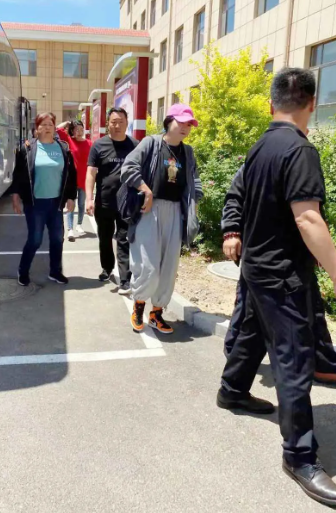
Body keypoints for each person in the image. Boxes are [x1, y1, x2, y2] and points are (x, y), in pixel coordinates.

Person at [216, 68, 336, 507]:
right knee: (294, 361)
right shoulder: (300, 150)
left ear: (271, 104)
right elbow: (308, 218)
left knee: (251, 332)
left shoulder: (260, 146)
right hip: (282, 273)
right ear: (311, 104)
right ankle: (299, 457)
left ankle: (232, 390)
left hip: (256, 267)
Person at [222, 165, 336, 384]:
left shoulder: (300, 160)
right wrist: (231, 231)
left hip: (295, 251)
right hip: (260, 250)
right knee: (248, 308)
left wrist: (319, 248)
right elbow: (235, 197)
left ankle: (321, 361)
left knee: (311, 305)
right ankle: (235, 359)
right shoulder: (260, 159)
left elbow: (311, 211)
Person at [121, 104, 203, 334]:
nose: (186, 127)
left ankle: (156, 314)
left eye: (189, 124)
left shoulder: (188, 152)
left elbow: (195, 181)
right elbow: (128, 167)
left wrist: (194, 203)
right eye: (182, 122)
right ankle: (139, 306)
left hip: (176, 211)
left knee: (169, 266)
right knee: (148, 265)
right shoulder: (151, 143)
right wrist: (145, 190)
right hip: (150, 209)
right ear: (169, 121)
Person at [12, 112, 77, 286]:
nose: (47, 128)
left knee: (57, 239)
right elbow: (18, 174)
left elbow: (71, 174)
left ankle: (55, 271)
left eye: (50, 124)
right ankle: (23, 271)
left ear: (55, 128)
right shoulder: (28, 149)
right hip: (35, 203)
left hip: (56, 203)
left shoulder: (63, 148)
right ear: (37, 128)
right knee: (35, 240)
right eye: (43, 124)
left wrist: (71, 197)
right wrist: (15, 196)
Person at [86, 107, 138, 295]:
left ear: (127, 123)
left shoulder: (135, 145)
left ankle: (125, 279)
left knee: (124, 240)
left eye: (121, 122)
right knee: (105, 238)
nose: (117, 125)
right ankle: (107, 268)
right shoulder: (99, 145)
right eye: (113, 122)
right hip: (104, 202)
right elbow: (91, 173)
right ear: (108, 123)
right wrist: (89, 199)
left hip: (127, 203)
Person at [57, 119, 92, 242]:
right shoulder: (69, 141)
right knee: (71, 203)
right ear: (72, 130)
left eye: (81, 129)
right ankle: (70, 229)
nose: (79, 132)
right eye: (77, 129)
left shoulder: (89, 143)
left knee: (81, 204)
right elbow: (57, 130)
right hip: (71, 179)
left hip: (84, 178)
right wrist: (67, 122)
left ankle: (79, 224)